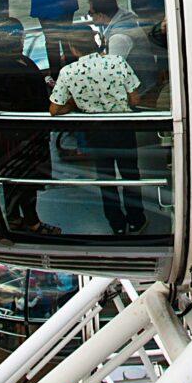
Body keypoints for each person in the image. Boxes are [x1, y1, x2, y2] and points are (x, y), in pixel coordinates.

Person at [49, 33, 146, 234]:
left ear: (73, 49)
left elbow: (54, 109)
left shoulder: (68, 72)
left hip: (95, 130)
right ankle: (137, 219)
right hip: (123, 127)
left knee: (105, 177)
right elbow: (135, 99)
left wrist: (74, 105)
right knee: (131, 174)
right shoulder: (117, 61)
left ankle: (117, 224)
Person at [0, 18, 54, 234]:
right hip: (24, 134)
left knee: (11, 179)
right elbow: (27, 100)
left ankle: (14, 218)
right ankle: (33, 222)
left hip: (6, 135)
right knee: (26, 180)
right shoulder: (15, 65)